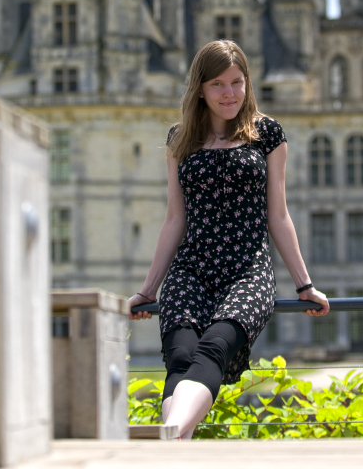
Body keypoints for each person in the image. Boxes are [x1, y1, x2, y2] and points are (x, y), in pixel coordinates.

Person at [128, 40, 329, 440]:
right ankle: (173, 443)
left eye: (237, 82)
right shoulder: (179, 139)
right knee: (181, 358)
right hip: (191, 269)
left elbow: (279, 215)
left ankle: (166, 436)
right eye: (218, 84)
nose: (230, 93)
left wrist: (304, 284)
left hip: (247, 269)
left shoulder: (266, 134)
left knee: (214, 349)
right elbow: (174, 220)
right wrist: (148, 289)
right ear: (200, 88)